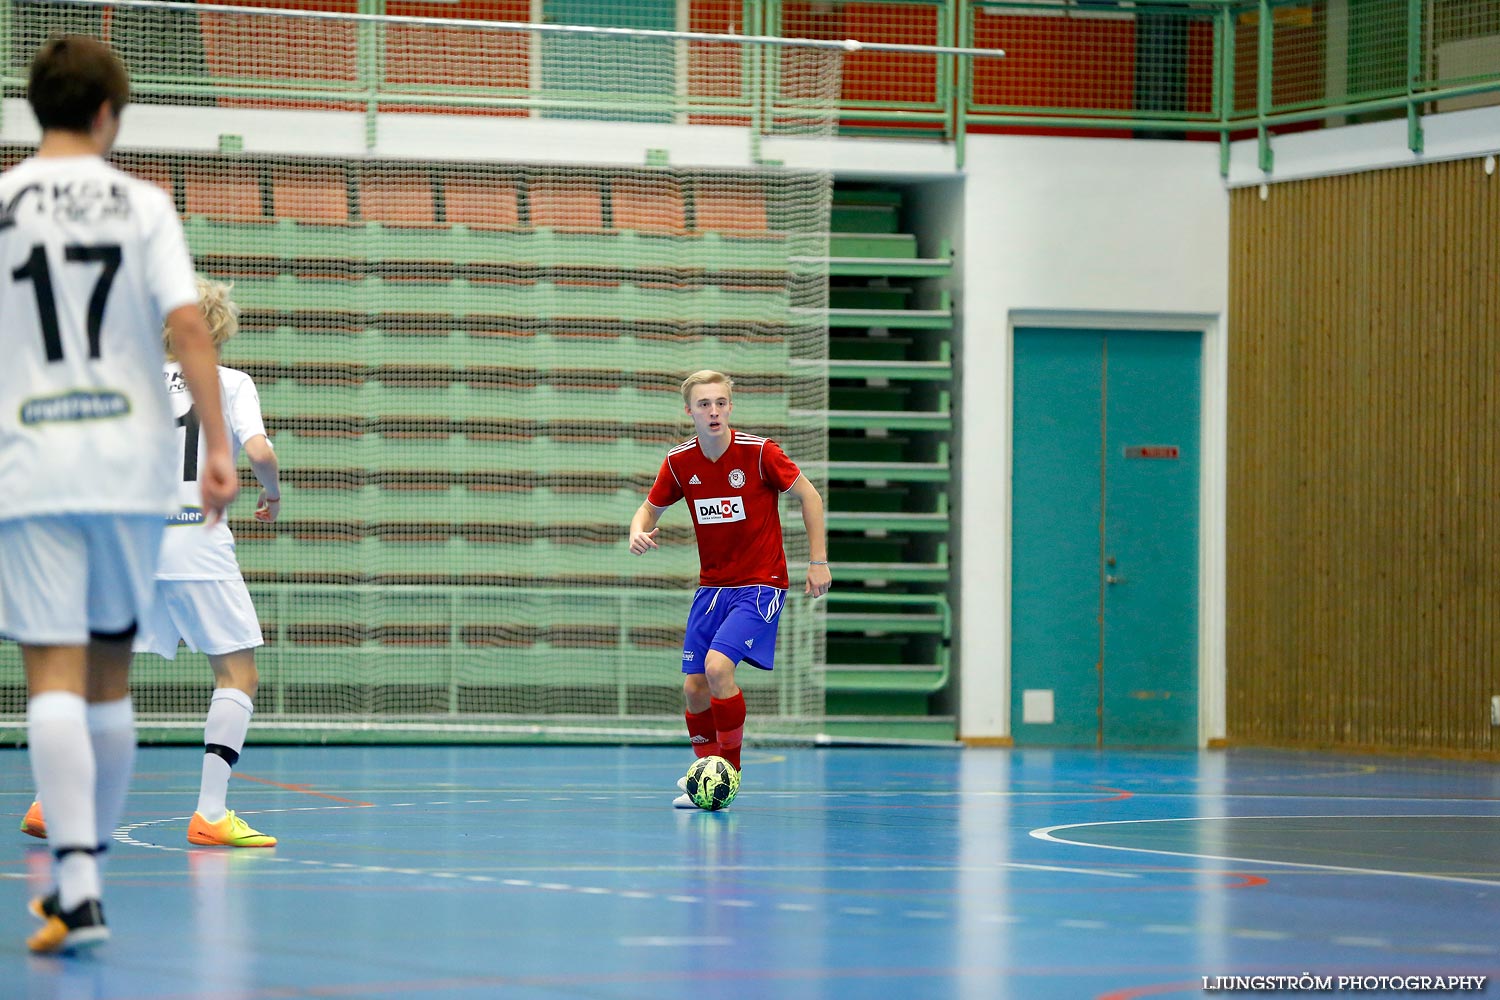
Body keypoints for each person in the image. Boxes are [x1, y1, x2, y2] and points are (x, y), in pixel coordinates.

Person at [0, 35, 237, 954]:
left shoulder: (6, 201)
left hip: (35, 460)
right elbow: (187, 324)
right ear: (108, 115)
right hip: (129, 459)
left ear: (35, 109)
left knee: (50, 677)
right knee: (108, 678)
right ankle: (87, 874)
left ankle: (80, 887)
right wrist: (217, 444)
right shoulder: (145, 204)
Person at [21, 276, 281, 851]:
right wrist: (272, 492)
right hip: (198, 546)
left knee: (98, 677)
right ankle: (210, 814)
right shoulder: (229, 383)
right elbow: (260, 451)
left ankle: (48, 800)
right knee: (237, 674)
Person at [627, 370, 831, 808]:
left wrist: (817, 562)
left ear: (730, 407)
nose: (713, 411)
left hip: (760, 584)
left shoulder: (760, 453)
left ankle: (729, 774)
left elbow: (809, 496)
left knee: (719, 668)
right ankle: (704, 772)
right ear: (690, 412)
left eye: (720, 402)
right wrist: (637, 531)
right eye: (704, 404)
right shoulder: (680, 462)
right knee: (694, 687)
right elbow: (647, 509)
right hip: (712, 589)